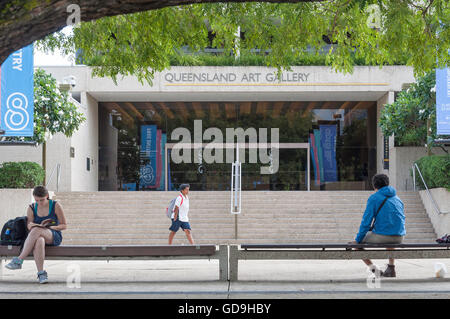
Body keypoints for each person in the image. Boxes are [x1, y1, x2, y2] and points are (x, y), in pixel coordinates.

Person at [4, 186, 67, 284]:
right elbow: (29, 225)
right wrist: (33, 225)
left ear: (47, 196)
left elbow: (64, 225)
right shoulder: (32, 207)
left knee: (37, 230)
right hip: (37, 236)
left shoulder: (55, 205)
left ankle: (19, 259)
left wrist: (49, 227)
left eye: (41, 200)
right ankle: (41, 273)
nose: (39, 203)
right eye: (36, 200)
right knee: (39, 240)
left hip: (53, 235)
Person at [349, 174, 406, 278]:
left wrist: (357, 240)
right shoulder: (397, 198)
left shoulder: (374, 198)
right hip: (399, 237)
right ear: (387, 184)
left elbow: (366, 223)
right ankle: (391, 268)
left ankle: (375, 271)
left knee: (357, 244)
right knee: (389, 232)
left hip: (383, 236)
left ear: (374, 186)